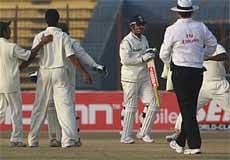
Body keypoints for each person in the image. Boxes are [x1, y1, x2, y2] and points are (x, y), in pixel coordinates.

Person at [27, 9, 92, 148]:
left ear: (46, 20)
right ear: (58, 20)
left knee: (39, 107)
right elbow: (71, 56)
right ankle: (68, 140)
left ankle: (32, 140)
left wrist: (41, 44)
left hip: (44, 72)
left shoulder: (39, 36)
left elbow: (31, 55)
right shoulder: (63, 36)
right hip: (59, 71)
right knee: (65, 107)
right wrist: (83, 72)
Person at [159, 0, 217, 154]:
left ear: (178, 11)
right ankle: (179, 142)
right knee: (189, 108)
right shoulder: (201, 27)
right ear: (192, 11)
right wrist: (201, 55)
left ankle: (194, 145)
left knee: (187, 109)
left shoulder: (172, 29)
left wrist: (170, 63)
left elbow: (163, 54)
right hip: (197, 72)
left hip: (181, 72)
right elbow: (213, 44)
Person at [41, 22, 107, 147]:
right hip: (65, 80)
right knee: (68, 108)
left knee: (52, 107)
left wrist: (36, 74)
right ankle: (72, 138)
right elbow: (83, 55)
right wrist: (94, 66)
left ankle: (55, 138)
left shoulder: (50, 40)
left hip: (50, 78)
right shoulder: (69, 41)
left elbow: (43, 59)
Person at [0, 21, 53, 147]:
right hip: (11, 84)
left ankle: (16, 138)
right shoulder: (11, 46)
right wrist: (42, 43)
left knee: (1, 111)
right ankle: (16, 139)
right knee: (16, 111)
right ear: (3, 32)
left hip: (0, 84)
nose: (10, 31)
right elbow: (28, 55)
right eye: (8, 29)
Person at [165, 43, 230, 141]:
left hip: (219, 85)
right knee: (188, 110)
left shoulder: (216, 46)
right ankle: (178, 134)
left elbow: (225, 56)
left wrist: (207, 58)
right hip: (203, 86)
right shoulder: (194, 49)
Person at [119, 15, 159, 144]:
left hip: (144, 76)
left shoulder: (144, 38)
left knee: (154, 103)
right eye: (138, 25)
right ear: (132, 26)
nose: (141, 27)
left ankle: (143, 133)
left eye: (142, 24)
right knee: (131, 107)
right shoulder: (126, 41)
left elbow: (145, 53)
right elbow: (125, 60)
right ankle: (125, 136)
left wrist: (150, 52)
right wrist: (143, 58)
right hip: (130, 78)